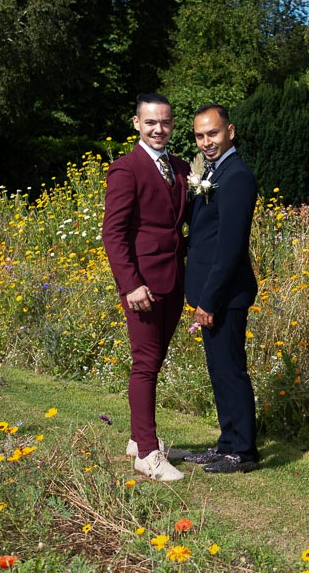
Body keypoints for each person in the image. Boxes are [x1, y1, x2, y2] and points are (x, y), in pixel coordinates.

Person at [101, 93, 189, 482]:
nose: (159, 129)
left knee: (155, 360)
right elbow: (113, 234)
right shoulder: (126, 169)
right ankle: (148, 453)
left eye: (165, 122)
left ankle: (138, 438)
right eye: (151, 122)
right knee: (146, 362)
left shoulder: (183, 168)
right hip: (142, 286)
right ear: (136, 124)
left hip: (174, 279)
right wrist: (130, 284)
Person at [183, 104, 260, 473]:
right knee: (219, 371)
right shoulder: (213, 172)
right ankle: (226, 442)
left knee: (231, 370)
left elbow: (230, 247)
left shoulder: (237, 176)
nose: (206, 141)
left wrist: (209, 300)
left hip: (226, 295)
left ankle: (243, 451)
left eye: (212, 133)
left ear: (230, 131)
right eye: (200, 135)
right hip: (211, 293)